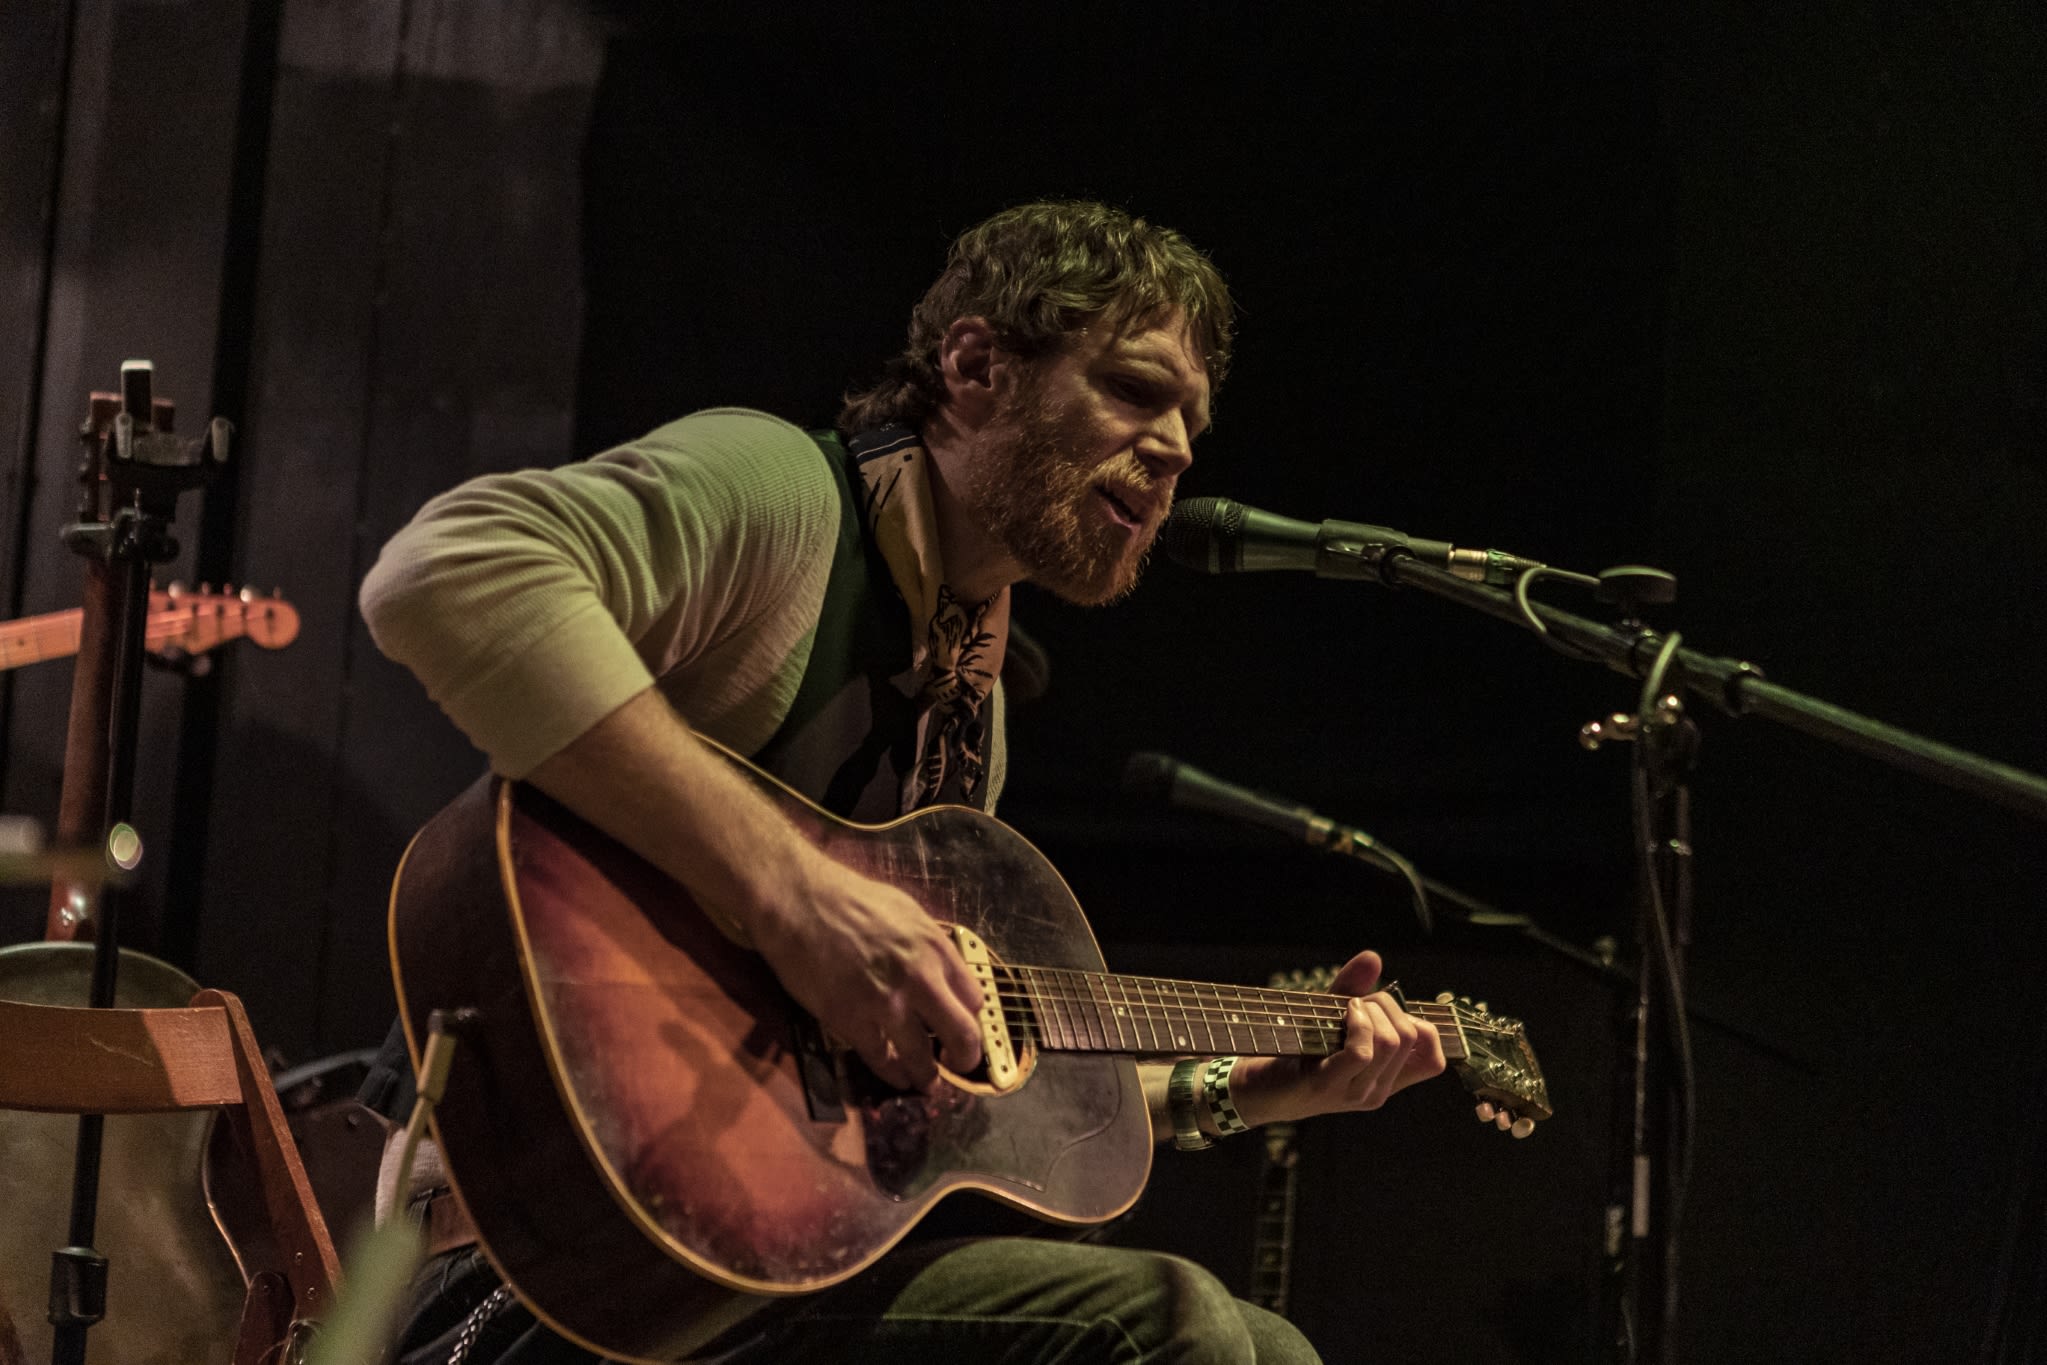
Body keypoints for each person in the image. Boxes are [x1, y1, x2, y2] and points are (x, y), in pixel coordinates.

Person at [356, 200, 1447, 1364]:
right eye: (1135, 389)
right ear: (975, 367)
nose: (1177, 447)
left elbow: (956, 1098)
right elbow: (448, 567)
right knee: (1172, 1331)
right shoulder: (783, 495)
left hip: (747, 1267)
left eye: (1193, 422)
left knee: (1267, 1347)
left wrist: (1235, 1090)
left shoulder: (969, 705)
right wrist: (796, 896)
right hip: (529, 1273)